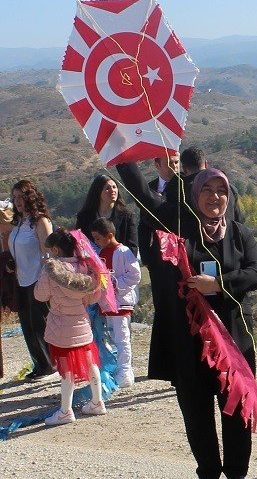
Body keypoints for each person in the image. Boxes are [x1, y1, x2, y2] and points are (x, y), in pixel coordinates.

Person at [116, 158, 257, 479]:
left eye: (222, 191)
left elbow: (256, 272)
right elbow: (142, 194)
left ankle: (237, 474)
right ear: (195, 194)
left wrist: (218, 285)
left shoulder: (239, 233)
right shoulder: (179, 226)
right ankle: (209, 477)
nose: (215, 197)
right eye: (208, 190)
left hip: (233, 343)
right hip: (190, 342)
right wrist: (123, 154)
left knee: (237, 409)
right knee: (197, 413)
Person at [34, 229, 106, 425]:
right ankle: (97, 401)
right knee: (91, 363)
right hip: (82, 323)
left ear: (56, 249)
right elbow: (93, 297)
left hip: (60, 326)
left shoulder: (51, 270)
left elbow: (39, 295)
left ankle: (65, 411)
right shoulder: (86, 268)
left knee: (66, 370)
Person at [136, 153, 180, 382]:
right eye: (170, 163)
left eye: (177, 162)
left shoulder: (185, 186)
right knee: (163, 310)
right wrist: (148, 259)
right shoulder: (149, 189)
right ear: (157, 164)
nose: (174, 167)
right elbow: (143, 228)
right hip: (159, 263)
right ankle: (165, 366)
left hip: (181, 261)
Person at [8, 179, 55, 380]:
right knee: (27, 325)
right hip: (21, 280)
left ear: (30, 197)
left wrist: (47, 280)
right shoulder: (18, 223)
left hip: (38, 279)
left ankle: (50, 364)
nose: (18, 201)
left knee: (40, 324)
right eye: (15, 197)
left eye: (21, 197)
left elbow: (49, 253)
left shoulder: (40, 221)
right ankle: (39, 363)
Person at [91, 217, 141, 388]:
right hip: (106, 303)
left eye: (98, 238)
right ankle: (116, 369)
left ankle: (126, 371)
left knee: (122, 338)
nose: (96, 241)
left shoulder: (124, 252)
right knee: (111, 338)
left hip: (120, 303)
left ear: (109, 235)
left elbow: (135, 275)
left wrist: (115, 283)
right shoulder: (100, 253)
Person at [76, 174, 138, 256]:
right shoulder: (84, 217)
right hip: (92, 265)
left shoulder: (127, 216)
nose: (112, 191)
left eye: (114, 187)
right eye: (107, 188)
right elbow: (79, 243)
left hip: (119, 264)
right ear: (98, 192)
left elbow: (132, 247)